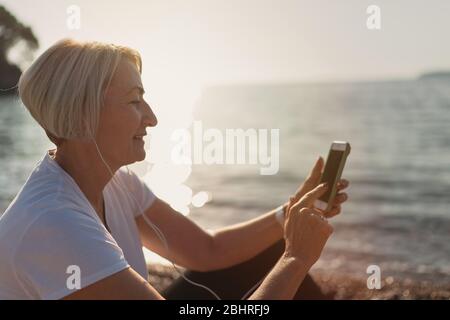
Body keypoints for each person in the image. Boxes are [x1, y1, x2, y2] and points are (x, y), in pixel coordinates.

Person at [0, 39, 349, 300]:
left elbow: (206, 251)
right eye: (134, 101)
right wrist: (297, 257)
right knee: (283, 263)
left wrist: (289, 214)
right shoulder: (54, 224)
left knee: (268, 254)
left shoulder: (116, 182)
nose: (151, 117)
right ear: (82, 116)